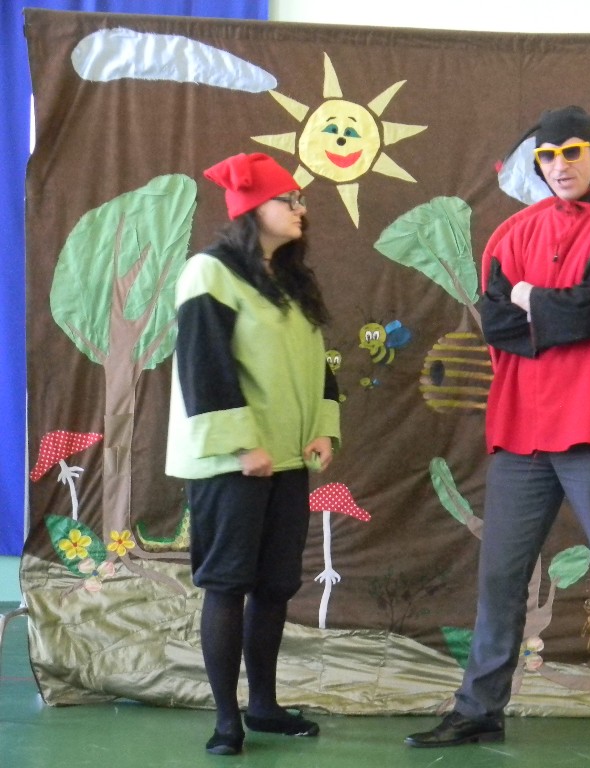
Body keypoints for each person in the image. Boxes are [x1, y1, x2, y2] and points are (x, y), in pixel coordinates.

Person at [405, 106, 590, 762]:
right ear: (537, 164)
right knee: (501, 581)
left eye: (573, 151)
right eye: (549, 155)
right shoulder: (511, 235)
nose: (561, 165)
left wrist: (531, 299)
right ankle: (478, 711)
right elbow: (497, 325)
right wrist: (551, 310)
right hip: (522, 432)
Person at [165, 152, 341, 756]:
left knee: (274, 586)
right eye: (289, 199)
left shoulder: (291, 281)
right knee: (227, 584)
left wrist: (323, 428)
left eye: (300, 200)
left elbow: (318, 363)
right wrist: (242, 444)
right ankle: (226, 720)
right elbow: (203, 364)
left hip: (287, 460)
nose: (300, 209)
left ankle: (263, 706)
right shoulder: (208, 273)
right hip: (232, 463)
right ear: (252, 208)